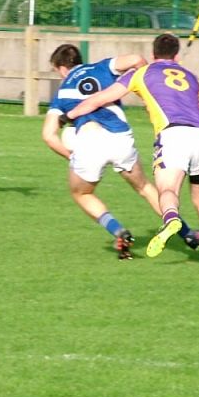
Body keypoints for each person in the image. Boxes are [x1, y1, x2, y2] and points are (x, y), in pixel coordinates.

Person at [64, 33, 199, 263]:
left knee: (168, 190)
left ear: (153, 54)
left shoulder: (141, 73)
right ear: (176, 55)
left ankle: (171, 219)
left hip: (173, 136)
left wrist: (69, 114)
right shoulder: (193, 78)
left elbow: (100, 98)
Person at [42, 43, 166, 260]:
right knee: (145, 187)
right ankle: (184, 230)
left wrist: (71, 156)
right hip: (119, 137)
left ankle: (118, 230)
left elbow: (49, 135)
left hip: (89, 143)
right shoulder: (102, 67)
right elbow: (137, 59)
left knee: (81, 193)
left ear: (61, 68)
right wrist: (146, 91)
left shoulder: (62, 93)